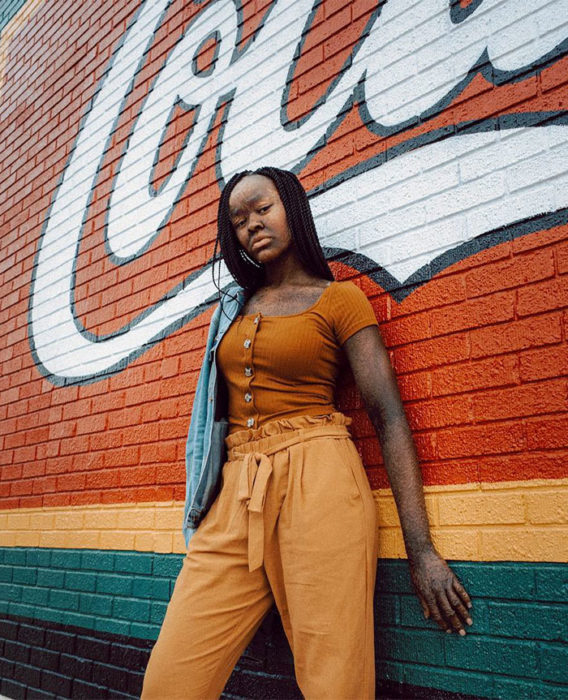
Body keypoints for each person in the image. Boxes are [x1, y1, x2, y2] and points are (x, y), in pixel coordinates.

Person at [141, 167, 473, 700]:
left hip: (321, 483)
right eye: (238, 219)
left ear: (292, 208)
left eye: (262, 208)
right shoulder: (231, 308)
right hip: (235, 494)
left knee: (333, 682)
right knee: (170, 680)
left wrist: (421, 550)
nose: (252, 225)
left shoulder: (340, 301)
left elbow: (387, 416)